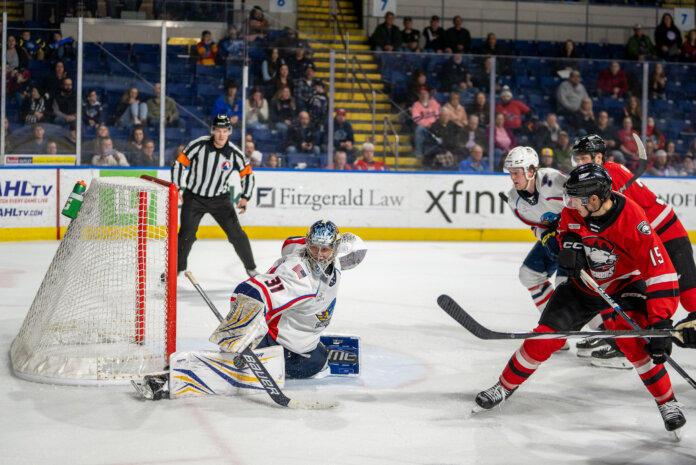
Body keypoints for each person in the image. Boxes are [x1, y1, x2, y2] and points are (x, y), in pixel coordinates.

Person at [475, 163, 686, 437]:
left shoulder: (633, 219)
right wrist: (569, 246)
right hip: (584, 285)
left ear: (594, 199)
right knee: (544, 337)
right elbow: (566, 230)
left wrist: (660, 321)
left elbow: (660, 270)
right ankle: (503, 387)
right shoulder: (575, 210)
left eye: (575, 197)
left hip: (624, 284)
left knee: (635, 343)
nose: (569, 203)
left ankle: (667, 402)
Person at [572, 135, 696, 362]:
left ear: (598, 158)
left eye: (584, 158)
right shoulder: (595, 177)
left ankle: (627, 339)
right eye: (577, 159)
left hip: (667, 234)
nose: (579, 163)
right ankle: (619, 340)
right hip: (643, 240)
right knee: (614, 285)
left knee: (690, 297)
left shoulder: (610, 173)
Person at [209, 220, 366, 379]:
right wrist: (237, 331)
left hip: (298, 329)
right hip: (278, 340)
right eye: (314, 247)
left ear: (336, 248)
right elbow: (249, 291)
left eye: (324, 249)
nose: (318, 255)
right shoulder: (298, 279)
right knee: (316, 362)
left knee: (318, 353)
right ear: (308, 244)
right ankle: (257, 352)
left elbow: (289, 243)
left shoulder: (308, 249)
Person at [171, 114, 258, 277]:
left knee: (236, 234)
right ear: (212, 130)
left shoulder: (234, 153)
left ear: (229, 132)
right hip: (194, 197)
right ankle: (176, 269)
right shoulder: (198, 145)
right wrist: (175, 187)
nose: (221, 135)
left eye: (225, 131)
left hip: (220, 199)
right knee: (186, 235)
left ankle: (251, 268)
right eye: (218, 130)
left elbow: (247, 174)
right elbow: (179, 164)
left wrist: (245, 196)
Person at [500, 147, 567, 312]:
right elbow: (536, 225)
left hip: (581, 234)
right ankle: (555, 321)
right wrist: (546, 237)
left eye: (516, 172)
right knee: (529, 274)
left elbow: (585, 205)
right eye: (510, 172)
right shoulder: (515, 200)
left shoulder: (552, 181)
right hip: (560, 235)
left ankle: (603, 324)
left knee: (566, 283)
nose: (512, 177)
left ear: (530, 171)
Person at [411, 86, 440, 157]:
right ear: (419, 95)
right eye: (422, 94)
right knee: (419, 129)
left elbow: (438, 115)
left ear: (428, 95)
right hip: (425, 128)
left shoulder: (434, 103)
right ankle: (419, 153)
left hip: (435, 126)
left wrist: (433, 124)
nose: (424, 96)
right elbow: (416, 119)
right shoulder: (416, 105)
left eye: (425, 94)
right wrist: (427, 124)